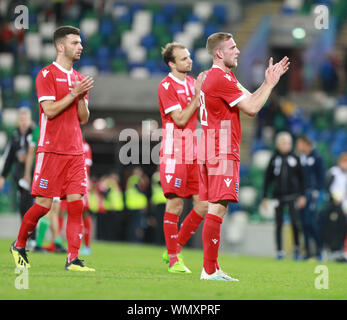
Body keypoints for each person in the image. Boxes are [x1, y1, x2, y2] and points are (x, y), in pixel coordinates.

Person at [198, 32, 289, 281]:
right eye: (233, 47)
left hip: (214, 147)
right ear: (219, 53)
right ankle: (209, 270)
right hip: (221, 148)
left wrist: (267, 82)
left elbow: (250, 99)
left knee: (217, 209)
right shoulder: (220, 78)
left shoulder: (224, 76)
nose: (238, 51)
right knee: (217, 209)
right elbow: (251, 108)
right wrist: (269, 84)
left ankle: (212, 268)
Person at [9, 25, 95, 271]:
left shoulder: (79, 78)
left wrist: (80, 97)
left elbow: (84, 118)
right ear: (60, 46)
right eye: (75, 42)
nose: (80, 47)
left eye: (80, 43)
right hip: (51, 150)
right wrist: (73, 94)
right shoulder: (46, 74)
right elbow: (50, 110)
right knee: (44, 206)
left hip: (75, 150)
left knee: (76, 203)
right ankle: (20, 244)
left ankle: (73, 259)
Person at [158, 42, 208, 274]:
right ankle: (173, 260)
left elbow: (199, 115)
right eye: (184, 59)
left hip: (193, 151)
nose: (189, 61)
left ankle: (174, 246)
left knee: (203, 204)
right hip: (174, 152)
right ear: (172, 63)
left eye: (189, 57)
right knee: (176, 204)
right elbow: (179, 119)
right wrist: (198, 95)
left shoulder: (191, 82)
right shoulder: (166, 86)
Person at [262, 132, 306, 260]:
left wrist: (302, 195)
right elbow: (267, 178)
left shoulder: (295, 158)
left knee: (294, 222)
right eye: (283, 143)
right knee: (279, 224)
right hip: (278, 197)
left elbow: (303, 178)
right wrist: (265, 196)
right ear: (278, 144)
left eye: (288, 143)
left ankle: (297, 248)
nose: (286, 145)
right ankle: (279, 250)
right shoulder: (274, 158)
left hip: (293, 196)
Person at [0, 107, 35, 249]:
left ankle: (32, 237)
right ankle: (26, 237)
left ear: (30, 119)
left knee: (31, 206)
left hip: (33, 174)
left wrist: (27, 157)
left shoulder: (35, 133)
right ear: (18, 121)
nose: (23, 121)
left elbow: (39, 151)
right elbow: (8, 157)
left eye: (26, 118)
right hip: (19, 175)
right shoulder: (14, 136)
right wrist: (2, 176)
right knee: (23, 206)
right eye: (21, 119)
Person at [295, 135, 325, 260]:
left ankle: (320, 250)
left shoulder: (317, 157)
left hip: (312, 194)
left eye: (299, 144)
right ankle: (307, 252)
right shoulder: (300, 158)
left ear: (305, 144)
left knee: (311, 222)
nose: (297, 146)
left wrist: (317, 192)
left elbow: (321, 176)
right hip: (302, 194)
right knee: (303, 223)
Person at [79, 139, 93, 255]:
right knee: (63, 211)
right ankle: (58, 242)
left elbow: (86, 167)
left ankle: (87, 246)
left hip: (81, 181)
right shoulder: (67, 142)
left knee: (84, 212)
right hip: (67, 180)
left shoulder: (85, 146)